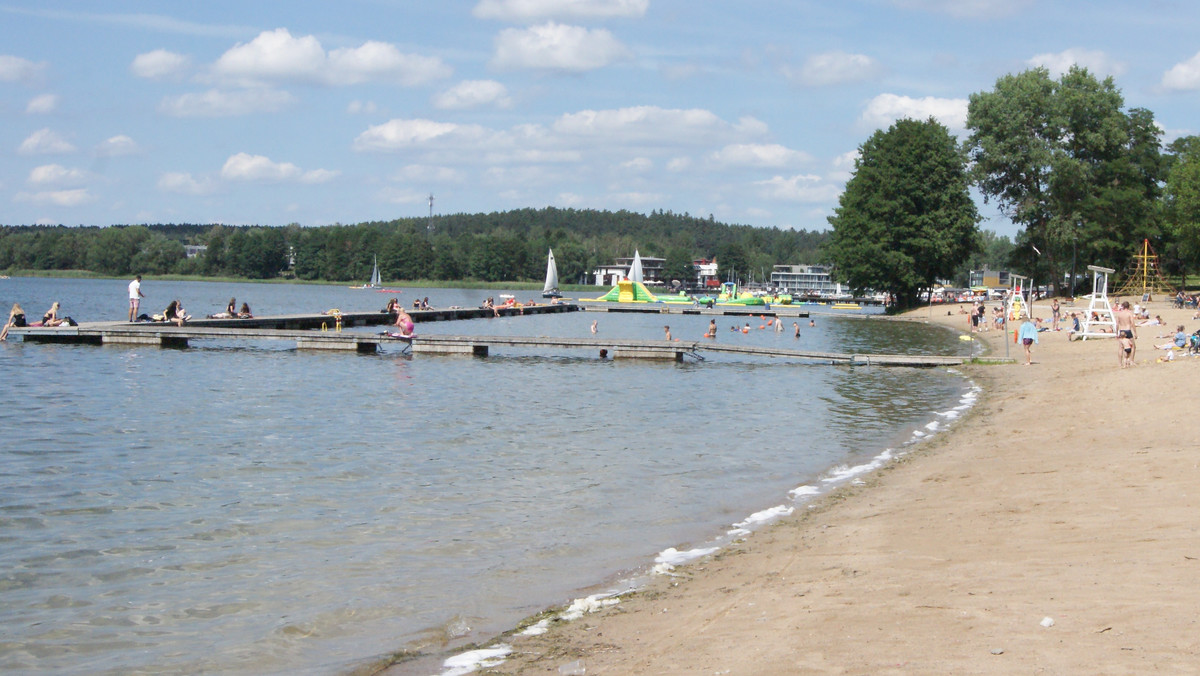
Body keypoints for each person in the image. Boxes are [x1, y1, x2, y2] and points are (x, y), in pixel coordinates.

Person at [1114, 301, 1137, 366]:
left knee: (1121, 347)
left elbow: (1117, 324)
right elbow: (1132, 323)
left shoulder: (1119, 314)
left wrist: (1116, 332)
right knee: (1133, 346)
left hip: (1121, 331)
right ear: (1128, 306)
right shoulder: (1129, 313)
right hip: (1128, 330)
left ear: (1123, 306)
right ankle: (1131, 361)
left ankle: (1120, 363)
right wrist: (1135, 333)